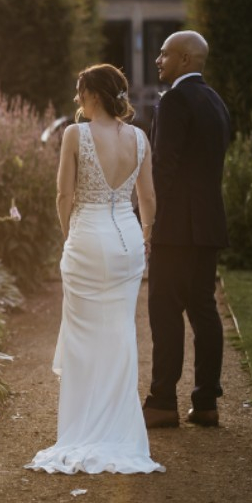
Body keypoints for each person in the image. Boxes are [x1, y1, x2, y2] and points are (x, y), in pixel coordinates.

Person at [26, 64, 163, 475]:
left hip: (87, 237)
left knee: (83, 338)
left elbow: (63, 194)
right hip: (128, 240)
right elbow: (148, 198)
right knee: (120, 332)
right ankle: (120, 429)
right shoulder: (139, 138)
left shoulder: (76, 134)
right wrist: (146, 237)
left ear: (94, 95)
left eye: (80, 92)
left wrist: (69, 235)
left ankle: (84, 428)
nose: (77, 100)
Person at [142, 30, 230, 430]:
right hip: (208, 224)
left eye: (165, 54)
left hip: (176, 227)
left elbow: (163, 166)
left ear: (185, 59)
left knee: (165, 311)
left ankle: (162, 402)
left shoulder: (174, 100)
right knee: (204, 309)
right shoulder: (215, 101)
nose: (158, 60)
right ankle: (207, 402)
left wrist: (148, 219)